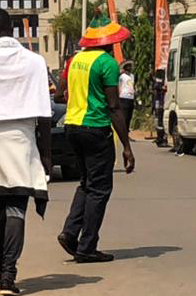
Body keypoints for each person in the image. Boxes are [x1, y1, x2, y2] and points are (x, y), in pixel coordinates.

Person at [0, 8, 52, 296]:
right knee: (17, 206)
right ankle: (8, 274)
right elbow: (45, 113)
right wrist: (47, 154)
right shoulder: (35, 61)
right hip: (23, 137)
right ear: (13, 29)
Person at [57, 14, 136, 263]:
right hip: (96, 128)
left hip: (72, 127)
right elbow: (114, 107)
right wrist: (127, 146)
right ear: (109, 41)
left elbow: (59, 95)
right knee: (100, 189)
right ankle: (87, 246)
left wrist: (80, 98)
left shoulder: (73, 60)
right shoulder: (107, 63)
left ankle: (70, 233)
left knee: (86, 183)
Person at [152, 68, 168, 147]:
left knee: (161, 121)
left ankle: (163, 138)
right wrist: (162, 88)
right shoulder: (160, 74)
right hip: (159, 101)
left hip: (165, 101)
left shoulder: (167, 74)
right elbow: (156, 86)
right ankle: (160, 138)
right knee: (159, 121)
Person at [118, 60, 136, 130]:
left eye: (130, 66)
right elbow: (119, 85)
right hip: (123, 97)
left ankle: (127, 132)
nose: (129, 67)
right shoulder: (122, 76)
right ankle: (123, 132)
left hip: (131, 97)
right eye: (128, 66)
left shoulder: (132, 76)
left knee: (129, 116)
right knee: (124, 116)